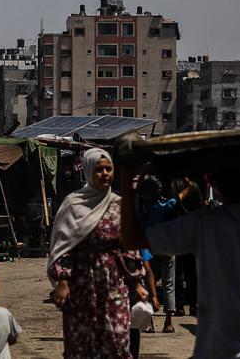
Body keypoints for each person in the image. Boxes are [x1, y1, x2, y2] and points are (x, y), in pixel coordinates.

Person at [121, 166, 240, 359]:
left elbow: (131, 239)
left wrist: (128, 182)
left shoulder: (204, 223)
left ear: (212, 183)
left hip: (214, 351)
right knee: (169, 284)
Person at [48, 148, 147, 359]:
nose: (105, 174)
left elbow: (128, 247)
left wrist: (137, 282)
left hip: (114, 286)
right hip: (82, 287)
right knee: (83, 345)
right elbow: (63, 246)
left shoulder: (119, 204)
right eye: (99, 169)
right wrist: (63, 281)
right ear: (88, 170)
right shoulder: (73, 205)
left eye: (108, 169)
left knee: (118, 342)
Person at [135, 174, 191, 332]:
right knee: (169, 284)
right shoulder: (166, 204)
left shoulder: (141, 208)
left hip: (148, 247)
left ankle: (149, 322)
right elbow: (183, 193)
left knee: (148, 281)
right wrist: (188, 183)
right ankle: (168, 323)